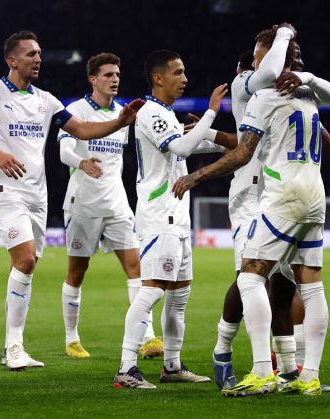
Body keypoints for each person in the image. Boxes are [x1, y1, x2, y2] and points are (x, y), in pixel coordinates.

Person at [0, 30, 143, 371]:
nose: (38, 59)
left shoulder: (47, 100)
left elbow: (83, 130)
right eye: (31, 54)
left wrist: (119, 121)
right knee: (26, 260)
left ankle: (13, 347)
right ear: (12, 60)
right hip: (5, 191)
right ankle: (13, 346)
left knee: (27, 268)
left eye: (40, 53)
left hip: (37, 195)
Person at [173, 27, 330, 397]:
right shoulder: (306, 94)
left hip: (280, 194)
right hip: (314, 192)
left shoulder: (264, 93)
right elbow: (328, 132)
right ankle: (306, 374)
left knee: (250, 276)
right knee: (309, 285)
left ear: (269, 57)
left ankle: (262, 370)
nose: (252, 62)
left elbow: (245, 152)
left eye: (257, 55)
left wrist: (197, 176)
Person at [112, 49, 234, 389]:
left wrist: (225, 145)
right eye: (178, 73)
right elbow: (180, 148)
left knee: (179, 295)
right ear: (158, 78)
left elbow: (187, 144)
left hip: (177, 217)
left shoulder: (166, 114)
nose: (185, 79)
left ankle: (172, 365)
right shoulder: (151, 112)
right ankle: (126, 368)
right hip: (159, 215)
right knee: (152, 290)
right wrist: (211, 113)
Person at [57, 52, 163, 359]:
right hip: (82, 205)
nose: (114, 79)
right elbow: (64, 150)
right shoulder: (74, 111)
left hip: (117, 203)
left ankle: (148, 338)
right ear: (92, 79)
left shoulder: (124, 114)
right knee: (77, 272)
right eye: (107, 75)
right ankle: (72, 338)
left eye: (117, 74)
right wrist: (81, 163)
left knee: (137, 270)